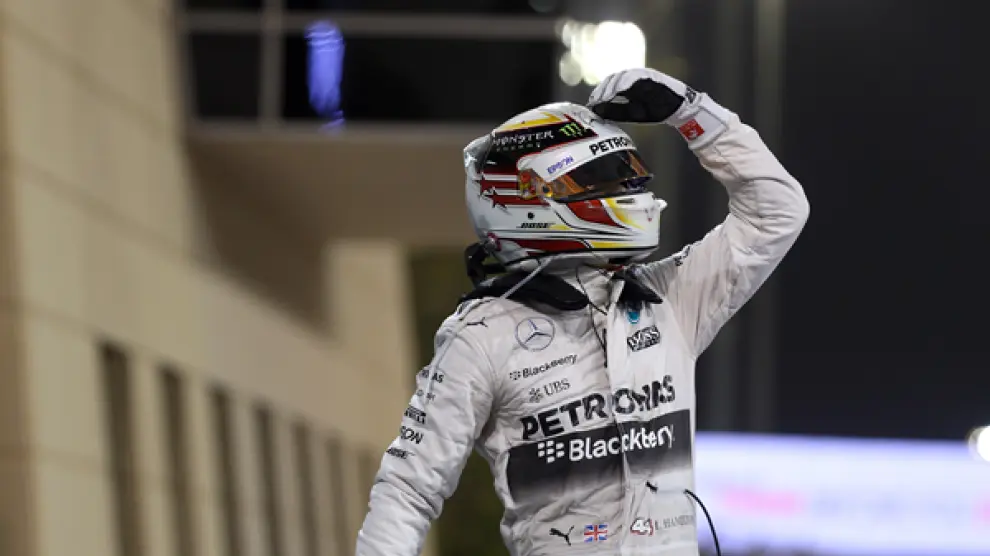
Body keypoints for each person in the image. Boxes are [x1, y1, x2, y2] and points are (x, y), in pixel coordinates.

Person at [355, 67, 809, 556]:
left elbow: (777, 212)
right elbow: (408, 489)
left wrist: (693, 112)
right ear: (528, 198)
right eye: (596, 177)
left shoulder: (667, 299)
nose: (628, 188)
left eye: (624, 172)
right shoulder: (480, 336)